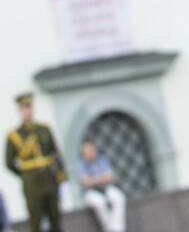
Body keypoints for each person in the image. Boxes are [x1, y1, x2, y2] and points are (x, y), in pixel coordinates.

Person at [5, 93, 64, 232]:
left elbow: (55, 153)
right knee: (36, 221)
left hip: (50, 180)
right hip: (32, 184)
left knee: (55, 219)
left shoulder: (44, 128)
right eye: (24, 108)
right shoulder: (14, 135)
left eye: (29, 107)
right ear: (19, 111)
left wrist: (61, 176)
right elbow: (9, 163)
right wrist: (25, 174)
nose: (27, 111)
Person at [76, 141, 125, 232]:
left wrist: (94, 180)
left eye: (91, 150)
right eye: (87, 152)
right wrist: (100, 179)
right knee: (99, 202)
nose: (90, 153)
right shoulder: (80, 165)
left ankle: (118, 229)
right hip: (90, 192)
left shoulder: (102, 160)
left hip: (105, 188)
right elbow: (86, 182)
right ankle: (110, 229)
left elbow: (109, 177)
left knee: (118, 197)